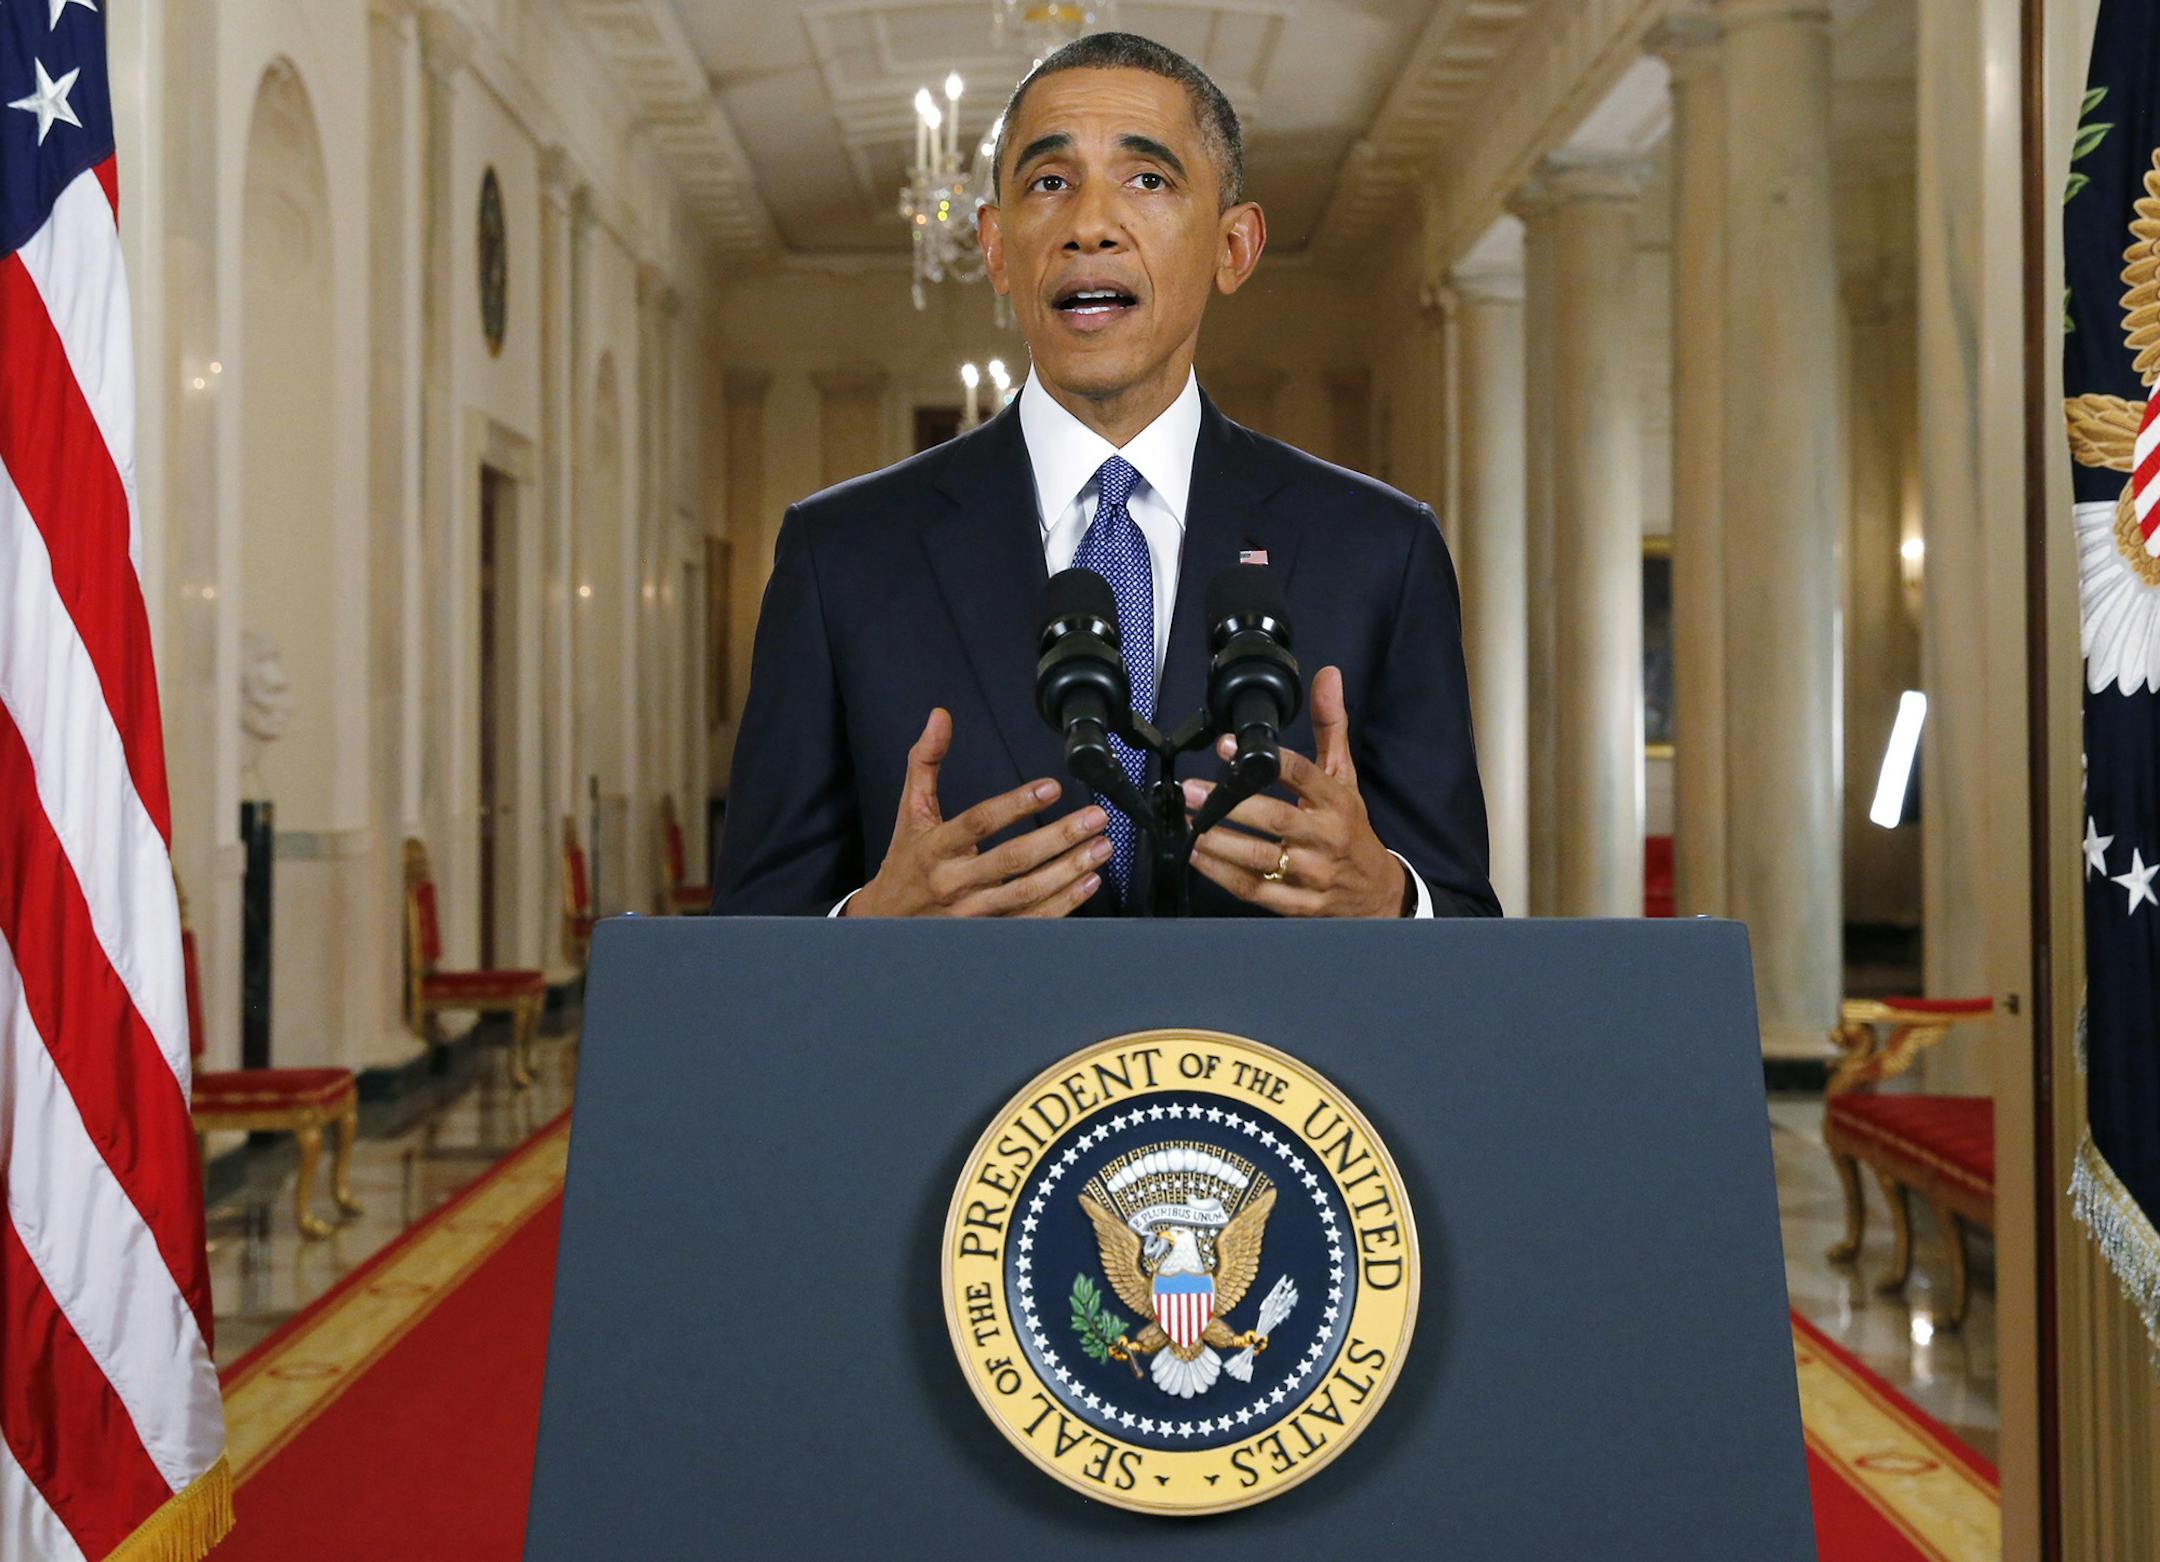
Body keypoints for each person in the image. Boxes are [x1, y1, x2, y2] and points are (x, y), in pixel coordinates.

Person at [711, 32, 1497, 920]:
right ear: (998, 249)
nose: (1089, 224)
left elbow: (1466, 926)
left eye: (1147, 180)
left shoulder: (1381, 551)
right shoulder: (840, 555)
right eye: (1049, 183)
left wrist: (1392, 901)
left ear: (1234, 248)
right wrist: (865, 932)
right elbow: (751, 944)